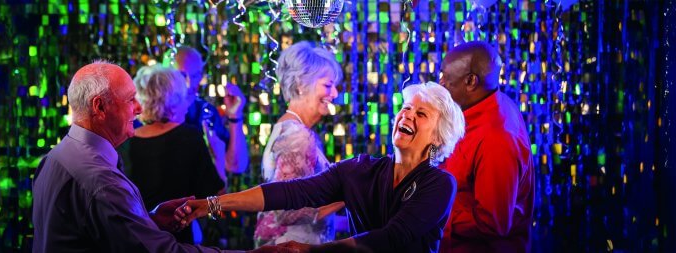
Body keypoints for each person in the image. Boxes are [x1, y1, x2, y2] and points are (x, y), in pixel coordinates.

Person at [175, 82, 467, 253]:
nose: (407, 115)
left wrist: (313, 251)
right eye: (405, 107)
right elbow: (291, 193)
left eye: (421, 113)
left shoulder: (439, 184)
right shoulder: (360, 169)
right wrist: (211, 204)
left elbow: (393, 237)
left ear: (439, 137)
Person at [33, 60, 262, 253]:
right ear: (100, 107)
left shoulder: (54, 157)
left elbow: (98, 233)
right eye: (130, 99)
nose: (139, 109)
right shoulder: (99, 180)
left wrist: (148, 220)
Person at [437, 41, 534, 253]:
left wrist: (432, 208)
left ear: (471, 81)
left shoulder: (497, 139)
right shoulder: (479, 106)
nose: (440, 84)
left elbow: (493, 223)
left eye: (446, 78)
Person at [254, 41, 345, 247]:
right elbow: (286, 212)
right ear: (300, 85)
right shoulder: (297, 136)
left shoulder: (290, 127)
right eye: (327, 85)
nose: (335, 94)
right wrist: (348, 195)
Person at [120, 65, 224, 244]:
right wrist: (219, 157)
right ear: (175, 98)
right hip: (176, 244)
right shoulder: (189, 137)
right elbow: (216, 204)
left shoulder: (124, 142)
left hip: (133, 242)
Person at [174, 46, 249, 182]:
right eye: (182, 75)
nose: (190, 84)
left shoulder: (205, 111)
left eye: (195, 76)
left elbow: (236, 166)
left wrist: (235, 116)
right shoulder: (150, 113)